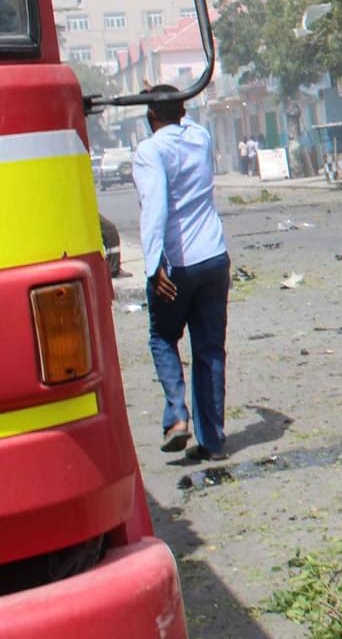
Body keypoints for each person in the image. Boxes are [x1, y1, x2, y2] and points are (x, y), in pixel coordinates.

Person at [132, 85, 231, 461]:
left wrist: (153, 263)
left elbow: (154, 208)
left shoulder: (150, 151)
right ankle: (213, 441)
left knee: (162, 337)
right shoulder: (201, 138)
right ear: (182, 110)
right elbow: (182, 121)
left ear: (150, 117)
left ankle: (177, 417)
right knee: (209, 351)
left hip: (176, 265)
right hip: (214, 258)